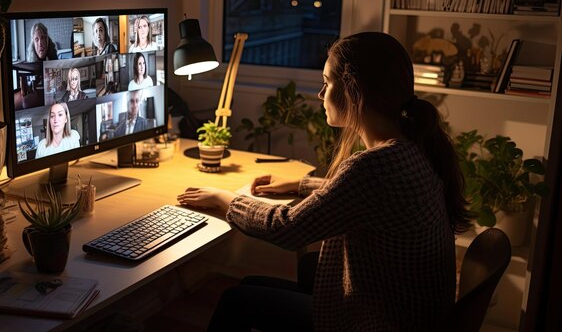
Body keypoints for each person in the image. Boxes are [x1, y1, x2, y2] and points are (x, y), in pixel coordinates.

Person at [177, 32, 473, 332]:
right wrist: (300, 185)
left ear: (353, 91)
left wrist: (223, 198)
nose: (321, 95)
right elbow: (368, 197)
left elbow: (287, 228)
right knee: (271, 278)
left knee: (237, 299)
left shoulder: (373, 166)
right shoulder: (410, 147)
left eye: (327, 83)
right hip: (414, 312)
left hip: (382, 321)